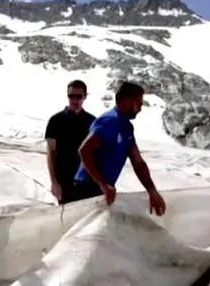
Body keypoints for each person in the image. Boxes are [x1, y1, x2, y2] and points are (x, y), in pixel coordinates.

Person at [75, 81, 167, 215]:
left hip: (105, 189)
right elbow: (84, 150)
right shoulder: (108, 121)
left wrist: (152, 191)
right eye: (138, 103)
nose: (140, 109)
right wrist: (102, 184)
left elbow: (138, 162)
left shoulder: (126, 127)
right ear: (127, 100)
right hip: (87, 189)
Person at [44, 79, 96, 204]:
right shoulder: (55, 121)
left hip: (88, 183)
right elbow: (51, 153)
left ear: (85, 97)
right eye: (71, 96)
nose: (74, 100)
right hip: (65, 182)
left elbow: (97, 154)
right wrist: (54, 182)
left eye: (79, 96)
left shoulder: (92, 122)